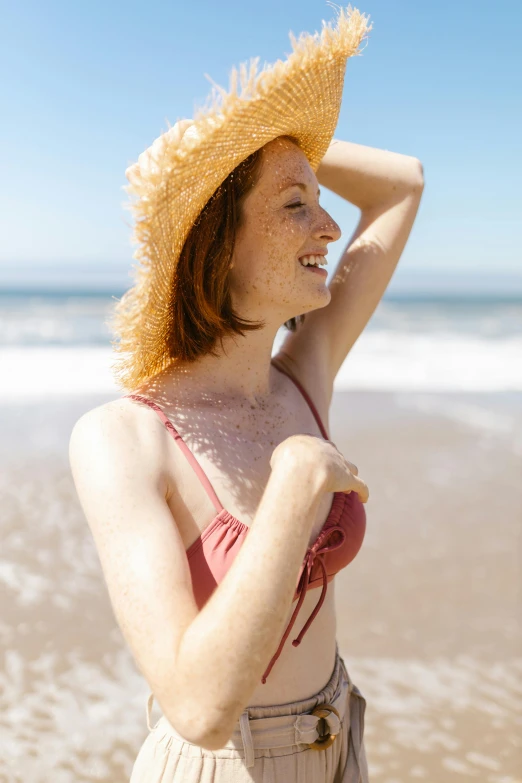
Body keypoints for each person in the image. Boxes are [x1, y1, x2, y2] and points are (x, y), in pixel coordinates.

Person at [69, 5, 424, 781]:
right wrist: (294, 484)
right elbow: (198, 707)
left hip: (341, 743)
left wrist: (265, 140)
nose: (328, 226)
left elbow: (402, 186)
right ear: (217, 243)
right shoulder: (123, 438)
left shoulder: (303, 372)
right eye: (294, 204)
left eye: (316, 197)